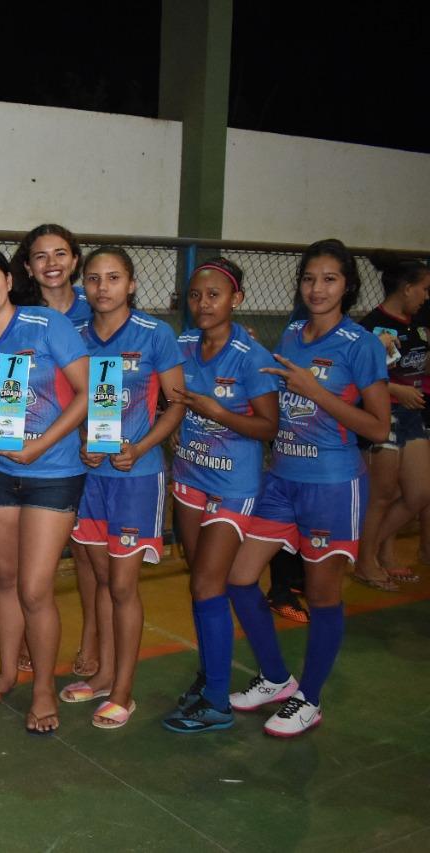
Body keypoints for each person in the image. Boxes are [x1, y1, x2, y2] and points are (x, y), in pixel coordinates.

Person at [227, 238, 390, 737]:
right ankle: (277, 677)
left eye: (329, 279)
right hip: (281, 480)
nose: (317, 288)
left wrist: (318, 392)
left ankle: (310, 698)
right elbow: (276, 393)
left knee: (321, 596)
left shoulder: (359, 344)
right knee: (239, 579)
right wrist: (254, 351)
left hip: (332, 486)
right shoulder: (293, 334)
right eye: (309, 278)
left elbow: (378, 428)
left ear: (348, 286)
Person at [0, 242, 89, 735]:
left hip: (53, 472)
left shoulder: (46, 324)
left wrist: (41, 447)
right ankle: (9, 672)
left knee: (35, 589)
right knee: (7, 581)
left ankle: (43, 689)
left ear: (9, 280)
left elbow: (86, 392)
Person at [63, 247, 185, 729]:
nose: (103, 287)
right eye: (93, 279)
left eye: (113, 278)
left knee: (121, 584)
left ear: (131, 284)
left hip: (136, 476)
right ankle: (105, 675)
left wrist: (140, 445)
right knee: (97, 581)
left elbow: (176, 404)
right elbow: (69, 402)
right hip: (90, 477)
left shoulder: (156, 334)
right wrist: (80, 442)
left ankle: (125, 691)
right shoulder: (74, 336)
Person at [160, 258, 278, 734]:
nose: (203, 303)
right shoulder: (182, 346)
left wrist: (217, 412)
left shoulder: (251, 355)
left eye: (213, 294)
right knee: (198, 581)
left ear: (236, 299)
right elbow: (162, 396)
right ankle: (208, 677)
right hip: (190, 476)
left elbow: (268, 426)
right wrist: (170, 425)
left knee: (210, 583)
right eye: (195, 295)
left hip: (234, 486)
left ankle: (217, 701)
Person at [11, 224, 97, 678]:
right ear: (27, 267)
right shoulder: (20, 315)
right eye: (40, 256)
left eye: (60, 253)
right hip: (46, 456)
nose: (51, 264)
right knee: (31, 565)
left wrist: (95, 437)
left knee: (89, 552)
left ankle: (90, 641)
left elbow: (104, 379)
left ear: (75, 259)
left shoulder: (97, 306)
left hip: (94, 450)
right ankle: (28, 636)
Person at [354, 253, 430, 589]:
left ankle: (366, 550)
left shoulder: (418, 324)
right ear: (407, 288)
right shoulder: (372, 328)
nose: (427, 296)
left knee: (419, 492)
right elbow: (361, 377)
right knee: (382, 494)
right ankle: (366, 559)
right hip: (386, 415)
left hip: (414, 417)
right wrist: (397, 390)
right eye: (424, 289)